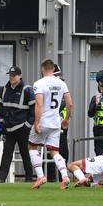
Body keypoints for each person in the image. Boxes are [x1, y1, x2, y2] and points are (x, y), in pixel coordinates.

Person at [28, 59, 73, 189]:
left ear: (42, 69)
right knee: (54, 151)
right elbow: (69, 104)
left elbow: (39, 104)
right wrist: (67, 119)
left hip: (43, 121)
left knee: (32, 147)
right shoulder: (61, 83)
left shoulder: (39, 84)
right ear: (53, 69)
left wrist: (36, 123)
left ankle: (40, 176)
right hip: (55, 122)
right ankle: (65, 176)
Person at [0, 66, 35, 183]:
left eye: (14, 75)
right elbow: (1, 107)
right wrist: (1, 122)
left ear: (20, 76)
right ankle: (1, 178)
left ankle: (29, 178)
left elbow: (33, 111)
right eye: (10, 75)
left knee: (25, 154)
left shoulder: (27, 89)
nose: (11, 77)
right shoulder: (5, 89)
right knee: (6, 154)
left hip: (22, 128)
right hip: (8, 129)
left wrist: (27, 126)